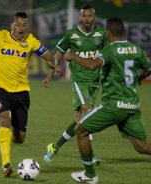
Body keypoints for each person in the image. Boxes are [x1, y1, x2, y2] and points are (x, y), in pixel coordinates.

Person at [64, 17, 151, 184]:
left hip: (114, 106)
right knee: (141, 146)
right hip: (132, 106)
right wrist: (138, 79)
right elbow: (149, 69)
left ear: (107, 33)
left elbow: (93, 65)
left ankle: (89, 175)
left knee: (80, 129)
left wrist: (73, 56)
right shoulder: (136, 48)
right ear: (123, 31)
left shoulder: (110, 50)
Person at [0, 4, 57, 177]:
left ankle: (13, 135)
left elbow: (47, 55)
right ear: (11, 25)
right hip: (0, 88)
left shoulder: (31, 40)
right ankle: (6, 164)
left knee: (20, 137)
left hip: (22, 92)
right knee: (4, 120)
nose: (21, 28)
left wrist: (52, 65)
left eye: (24, 25)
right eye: (18, 24)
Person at [43, 4, 108, 165]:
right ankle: (90, 155)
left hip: (94, 81)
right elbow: (59, 53)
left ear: (94, 17)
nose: (87, 19)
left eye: (90, 16)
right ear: (79, 17)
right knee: (87, 111)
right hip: (79, 80)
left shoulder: (101, 34)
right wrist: (51, 73)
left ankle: (54, 146)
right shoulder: (71, 34)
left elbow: (108, 54)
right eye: (84, 16)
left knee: (80, 120)